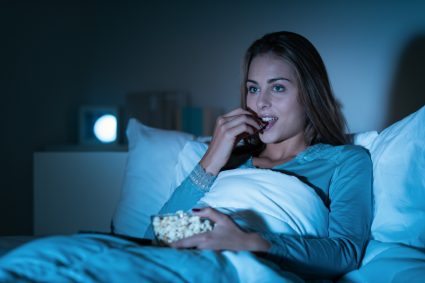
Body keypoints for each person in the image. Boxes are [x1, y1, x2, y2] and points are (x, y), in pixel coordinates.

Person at [145, 31, 373, 281]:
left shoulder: (345, 161)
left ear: (310, 93)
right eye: (253, 88)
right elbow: (151, 237)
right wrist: (211, 159)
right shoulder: (226, 160)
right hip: (169, 264)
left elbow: (346, 253)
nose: (260, 102)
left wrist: (250, 242)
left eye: (277, 87)